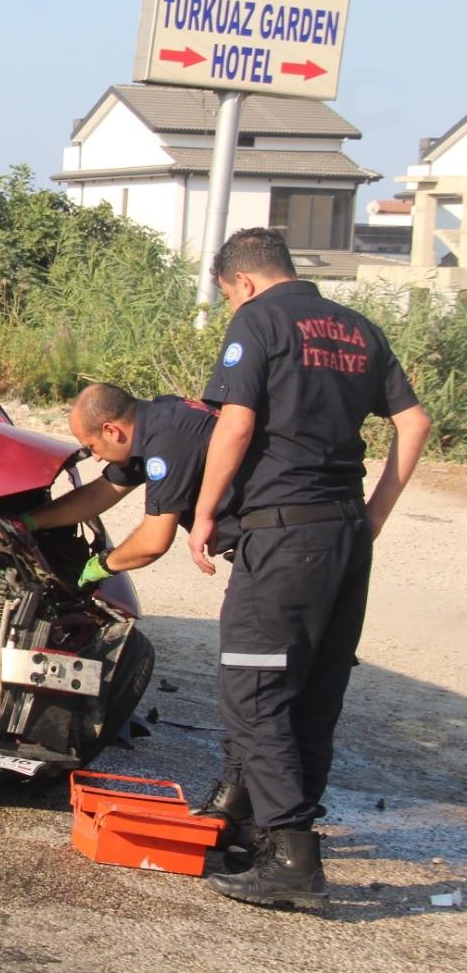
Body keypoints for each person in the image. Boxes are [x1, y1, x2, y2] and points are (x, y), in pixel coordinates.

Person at [187, 227, 431, 912]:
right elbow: (415, 424)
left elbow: (235, 427)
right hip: (347, 534)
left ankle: (291, 854)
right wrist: (374, 514)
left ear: (241, 283)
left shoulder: (258, 321)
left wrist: (205, 514)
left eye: (231, 293)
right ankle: (270, 839)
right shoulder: (359, 329)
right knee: (315, 690)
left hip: (285, 535)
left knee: (254, 688)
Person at [25, 383, 236, 586]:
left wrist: (102, 565)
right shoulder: (156, 418)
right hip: (259, 539)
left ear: (111, 431)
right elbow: (100, 492)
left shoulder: (165, 443)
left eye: (92, 446)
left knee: (244, 621)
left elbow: (154, 541)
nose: (96, 458)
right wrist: (29, 522)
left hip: (262, 540)